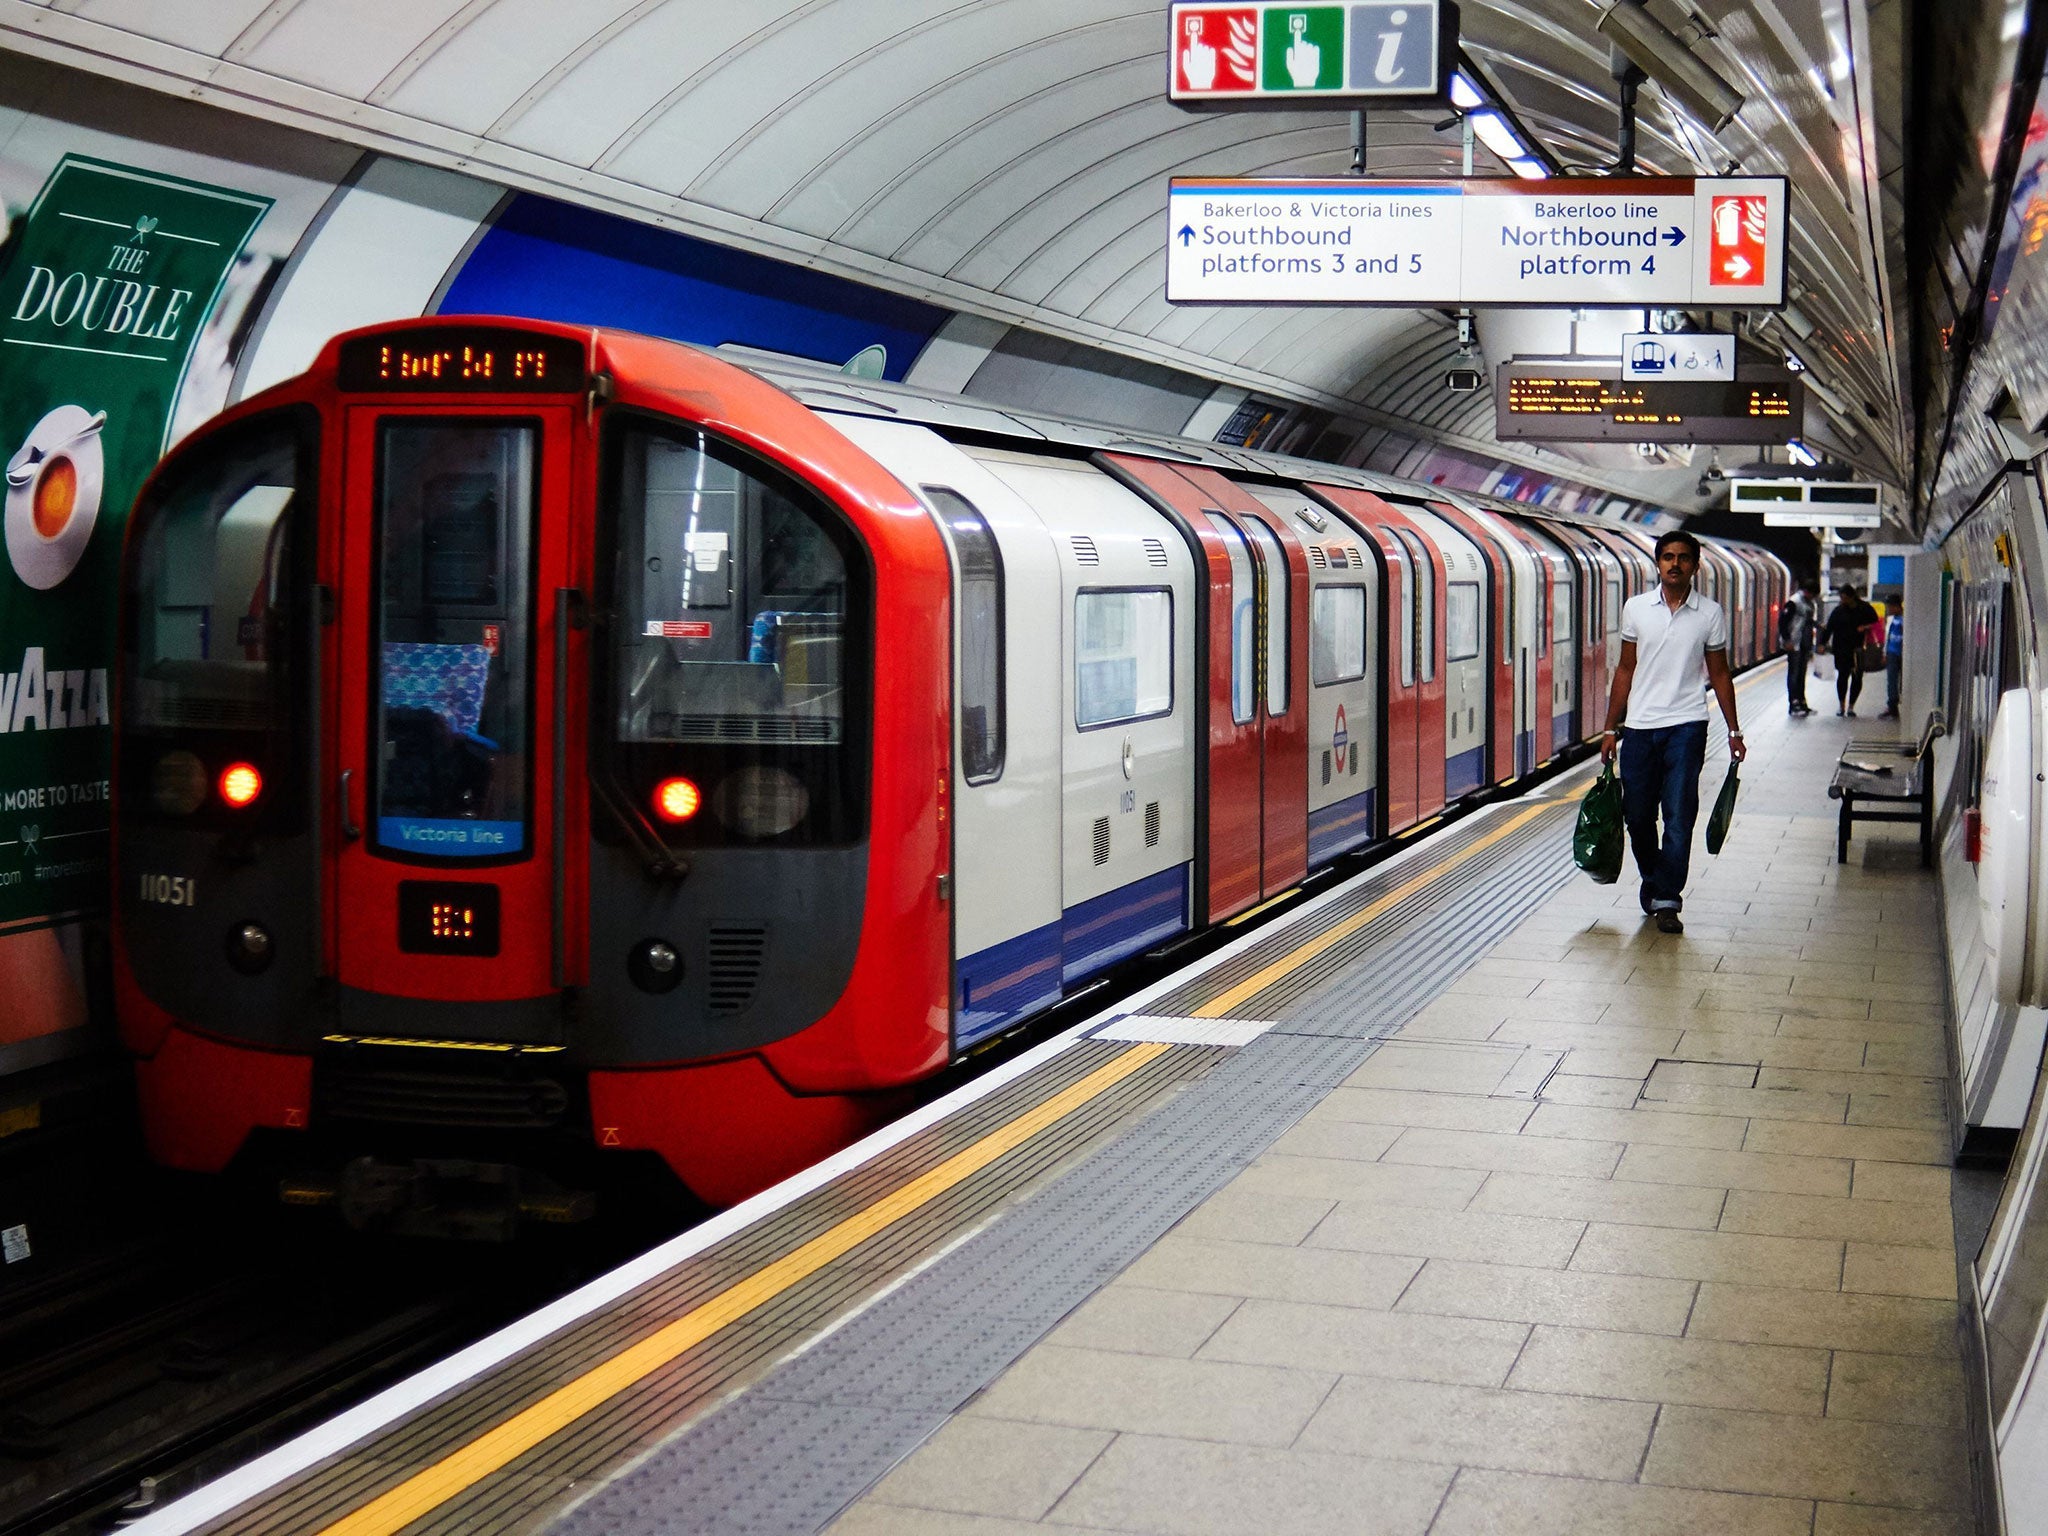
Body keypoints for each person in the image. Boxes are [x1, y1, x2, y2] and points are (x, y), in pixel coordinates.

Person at [1600, 530, 1746, 935]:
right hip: (1640, 728)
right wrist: (1611, 727)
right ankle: (1656, 880)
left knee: (1679, 817)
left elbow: (1719, 672)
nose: (1674, 564)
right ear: (1658, 563)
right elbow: (1626, 669)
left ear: (1695, 565)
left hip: (1687, 724)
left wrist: (1734, 729)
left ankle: (1667, 899)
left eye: (1683, 557)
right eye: (1667, 557)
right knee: (1638, 817)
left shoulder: (1709, 614)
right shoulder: (1636, 609)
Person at [1821, 585, 1879, 716]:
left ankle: (1851, 706)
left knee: (1857, 677)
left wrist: (1864, 627)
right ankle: (1841, 706)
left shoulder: (1865, 608)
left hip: (1858, 648)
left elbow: (1875, 622)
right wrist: (1822, 643)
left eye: (1845, 598)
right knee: (1842, 676)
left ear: (1852, 597)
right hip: (1841, 648)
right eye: (1841, 598)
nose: (1842, 600)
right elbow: (1829, 628)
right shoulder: (1838, 611)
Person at [1778, 579, 1818, 715]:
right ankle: (1793, 704)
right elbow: (1783, 621)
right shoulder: (1794, 602)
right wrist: (1787, 640)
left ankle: (1802, 701)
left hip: (1805, 643)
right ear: (1807, 592)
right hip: (1794, 644)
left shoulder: (1810, 603)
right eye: (1812, 594)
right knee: (1794, 674)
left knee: (1801, 674)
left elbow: (1808, 620)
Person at [1881, 600, 1904, 718]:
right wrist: (1885, 652)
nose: (1888, 609)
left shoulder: (1905, 619)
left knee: (1902, 681)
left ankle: (1898, 704)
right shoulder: (1891, 619)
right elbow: (1887, 636)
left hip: (1902, 654)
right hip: (1892, 652)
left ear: (1896, 606)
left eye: (1890, 607)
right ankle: (1892, 706)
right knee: (1892, 680)